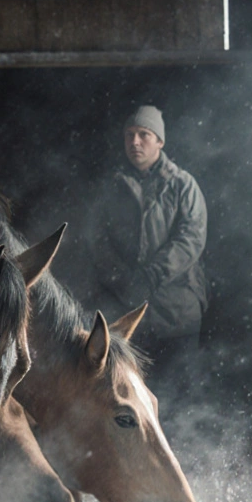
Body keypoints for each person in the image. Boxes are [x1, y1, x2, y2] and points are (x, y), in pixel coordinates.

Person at [89, 105, 208, 399]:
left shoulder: (183, 185)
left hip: (177, 311)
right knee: (133, 396)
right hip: (129, 312)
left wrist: (152, 274)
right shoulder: (112, 187)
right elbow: (97, 239)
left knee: (181, 396)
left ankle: (187, 444)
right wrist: (122, 278)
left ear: (160, 142)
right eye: (129, 135)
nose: (135, 142)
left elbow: (191, 238)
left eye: (144, 134)